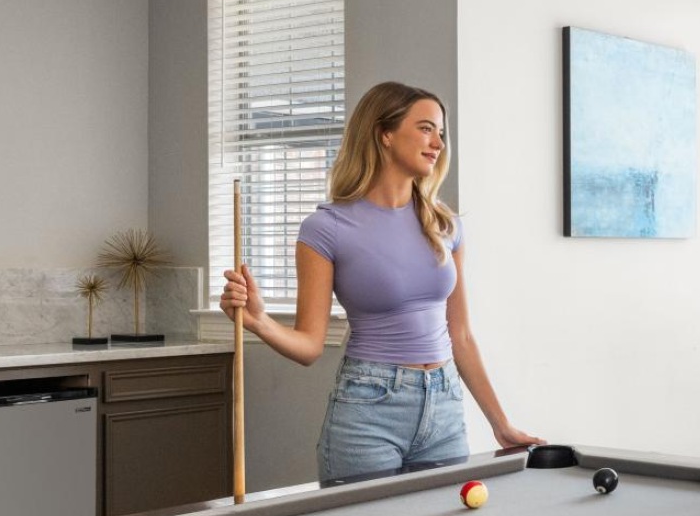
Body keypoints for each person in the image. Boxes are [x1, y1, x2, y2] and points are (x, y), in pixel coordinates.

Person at [220, 81, 543, 482]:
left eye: (441, 132)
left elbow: (460, 336)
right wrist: (258, 321)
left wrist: (500, 424)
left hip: (444, 406)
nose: (438, 142)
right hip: (368, 410)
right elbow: (309, 346)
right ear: (384, 134)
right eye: (426, 128)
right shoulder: (326, 229)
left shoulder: (445, 224)